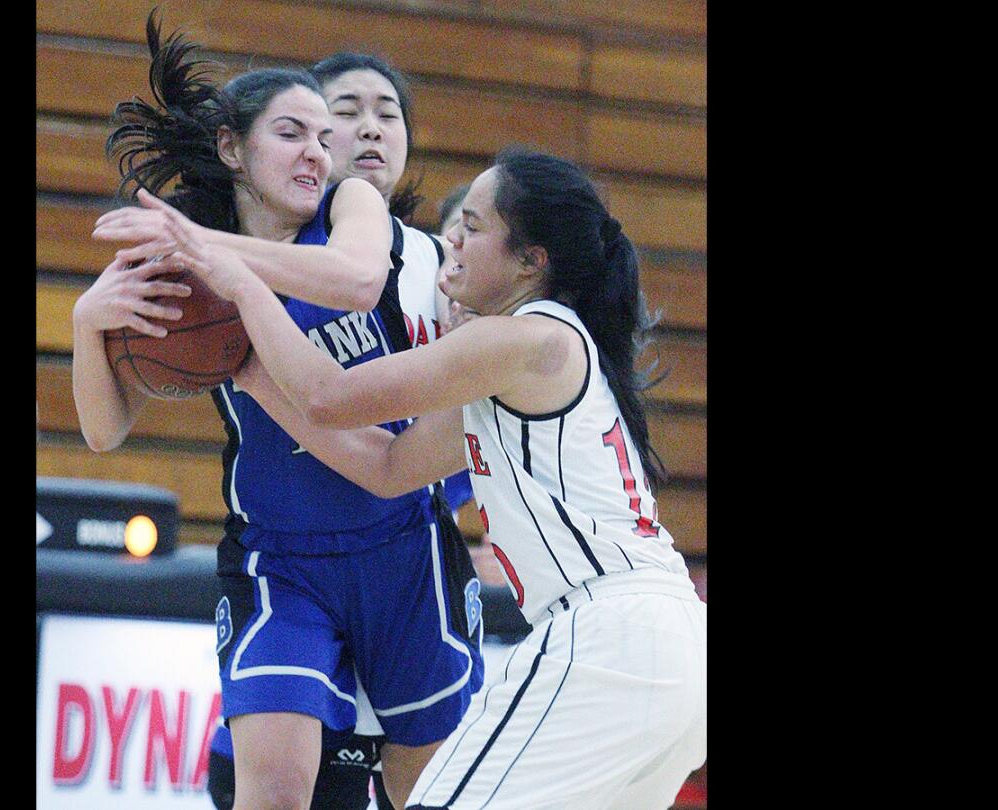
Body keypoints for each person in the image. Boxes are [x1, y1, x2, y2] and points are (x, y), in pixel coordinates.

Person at [125, 145, 708, 809]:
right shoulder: (528, 354)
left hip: (609, 638)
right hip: (672, 650)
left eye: (475, 226)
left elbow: (329, 396)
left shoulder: (522, 338)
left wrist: (240, 282)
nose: (451, 234)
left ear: (531, 261)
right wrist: (254, 376)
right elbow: (388, 466)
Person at [74, 18, 483, 810]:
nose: (318, 155)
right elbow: (103, 431)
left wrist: (212, 253)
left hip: (400, 544)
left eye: (322, 140)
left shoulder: (350, 206)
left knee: (429, 790)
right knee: (277, 789)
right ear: (233, 149)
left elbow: (358, 281)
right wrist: (92, 321)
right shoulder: (187, 259)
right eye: (293, 133)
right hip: (279, 559)